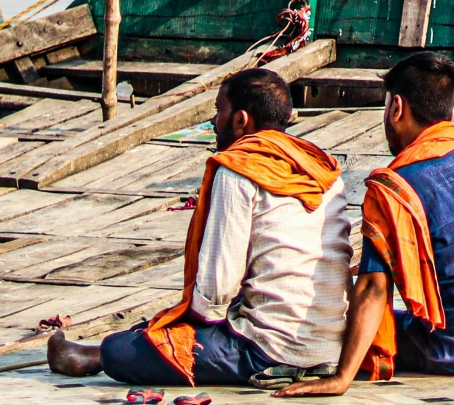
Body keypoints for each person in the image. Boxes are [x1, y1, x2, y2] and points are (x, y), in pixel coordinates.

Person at [47, 67, 354, 385]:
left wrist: (181, 322)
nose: (213, 121)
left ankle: (99, 354)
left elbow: (216, 292)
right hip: (332, 347)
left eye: (219, 110)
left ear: (240, 120)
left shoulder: (239, 170)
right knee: (160, 328)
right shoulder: (324, 170)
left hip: (265, 351)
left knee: (122, 349)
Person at [279, 52, 454, 393]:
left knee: (335, 327)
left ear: (396, 107)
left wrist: (342, 378)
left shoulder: (392, 188)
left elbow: (373, 289)